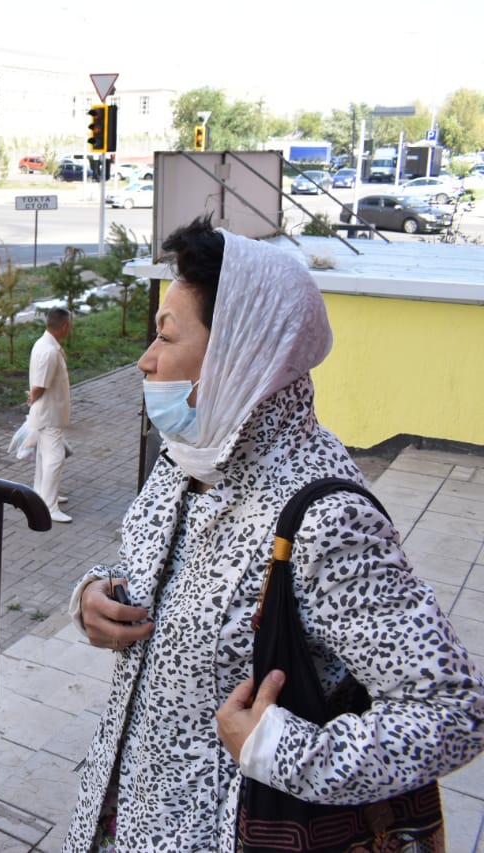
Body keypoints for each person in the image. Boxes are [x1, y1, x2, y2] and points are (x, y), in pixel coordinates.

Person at [63, 216, 484, 852]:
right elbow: (157, 573)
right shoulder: (190, 458)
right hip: (125, 806)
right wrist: (94, 595)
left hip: (223, 832)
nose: (145, 361)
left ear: (239, 353)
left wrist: (285, 751)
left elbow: (452, 709)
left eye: (166, 337)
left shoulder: (325, 518)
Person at [27, 306, 72, 523]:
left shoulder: (47, 345)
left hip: (50, 412)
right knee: (55, 458)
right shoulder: (49, 351)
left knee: (45, 456)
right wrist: (32, 398)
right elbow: (40, 385)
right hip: (49, 414)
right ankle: (48, 506)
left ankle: (42, 494)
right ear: (64, 326)